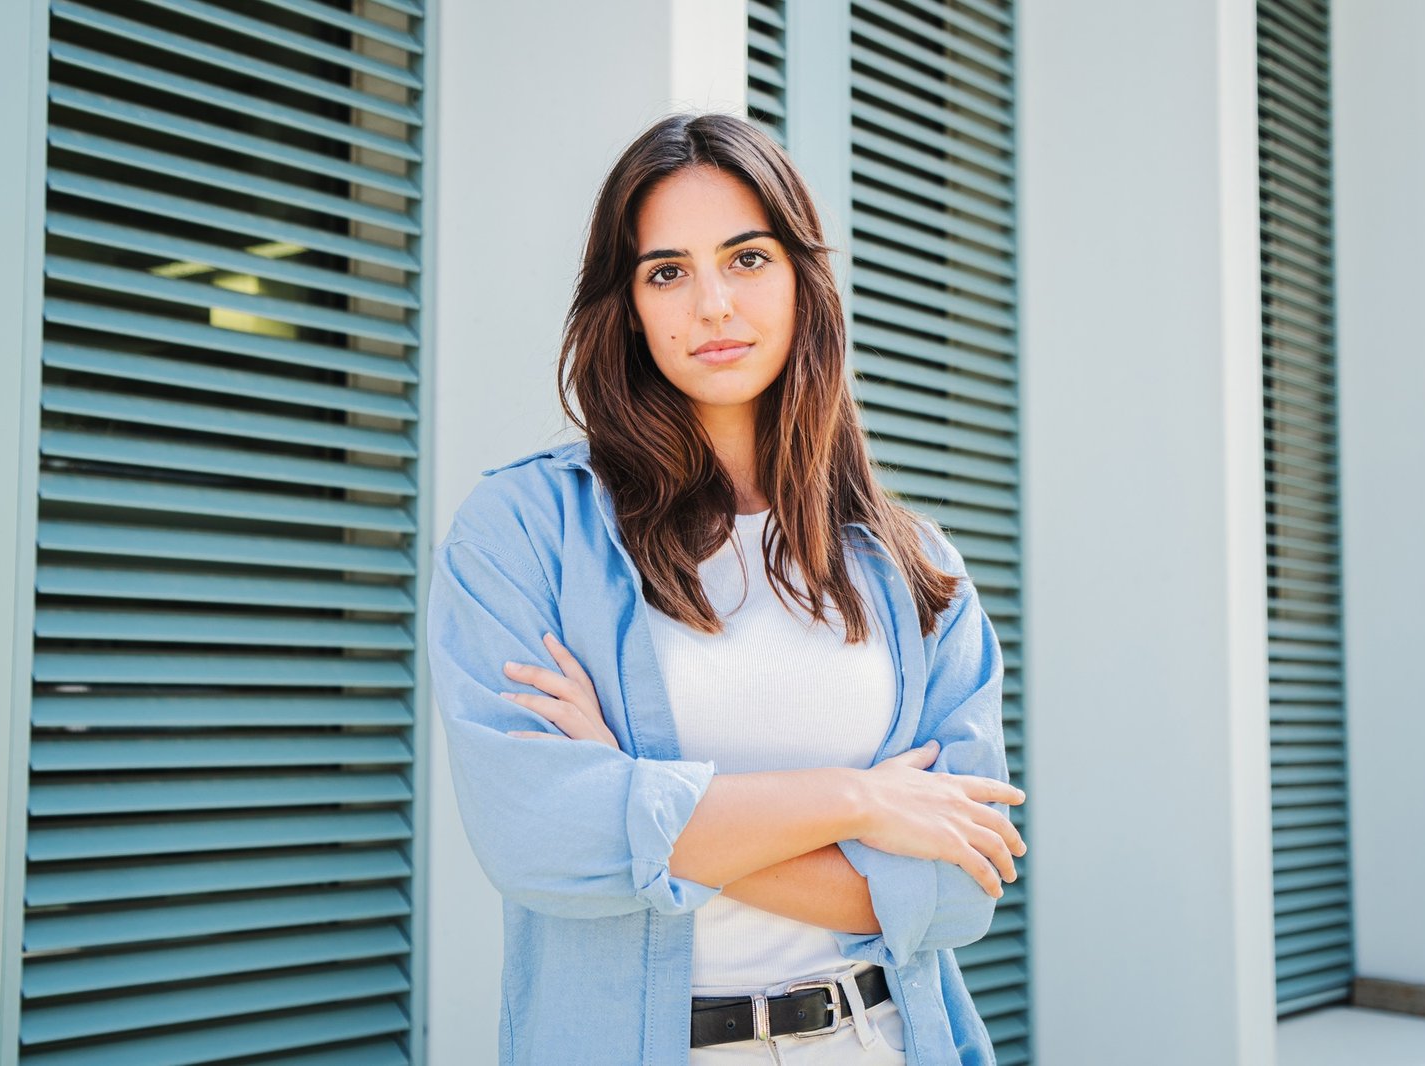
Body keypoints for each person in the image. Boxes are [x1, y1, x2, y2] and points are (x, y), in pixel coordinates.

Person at [425, 111, 1025, 1066]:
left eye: (746, 259)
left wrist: (634, 795)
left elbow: (955, 893)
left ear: (802, 280)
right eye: (667, 271)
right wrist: (859, 802)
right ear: (625, 306)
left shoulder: (913, 565)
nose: (711, 304)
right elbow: (536, 837)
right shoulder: (526, 530)